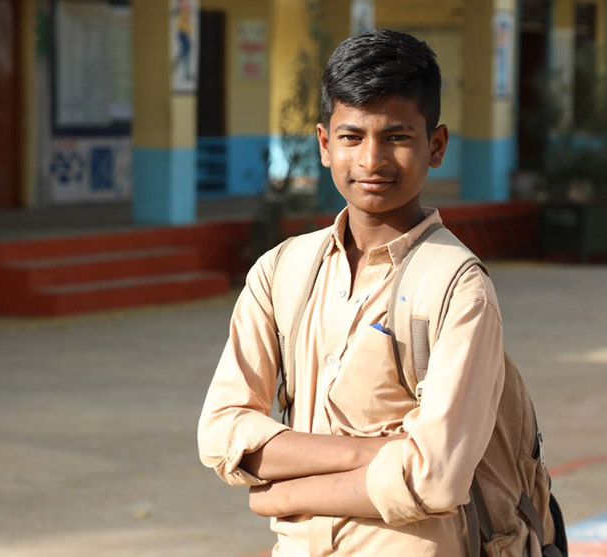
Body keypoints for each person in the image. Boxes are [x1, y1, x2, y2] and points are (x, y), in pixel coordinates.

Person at [197, 30, 506, 554]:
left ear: (436, 146)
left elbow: (436, 477)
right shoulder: (283, 270)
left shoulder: (457, 287)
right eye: (352, 136)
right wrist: (369, 453)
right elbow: (222, 432)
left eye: (397, 137)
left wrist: (279, 493)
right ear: (323, 144)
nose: (372, 160)